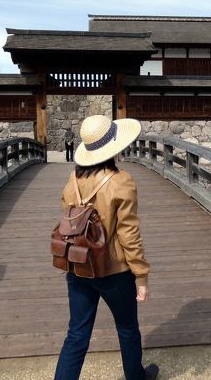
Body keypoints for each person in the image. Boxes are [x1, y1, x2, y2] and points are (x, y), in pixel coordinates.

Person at [54, 115, 159, 380]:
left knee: (76, 333)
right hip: (113, 271)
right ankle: (136, 376)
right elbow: (129, 234)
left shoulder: (73, 180)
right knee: (126, 327)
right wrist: (142, 275)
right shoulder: (120, 180)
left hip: (78, 265)